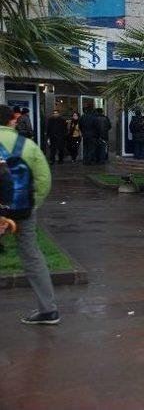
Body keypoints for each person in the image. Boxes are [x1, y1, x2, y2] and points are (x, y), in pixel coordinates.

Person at [0, 104, 58, 324]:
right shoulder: (27, 145)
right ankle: (48, 310)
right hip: (23, 209)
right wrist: (33, 204)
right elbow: (44, 179)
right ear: (11, 121)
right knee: (32, 256)